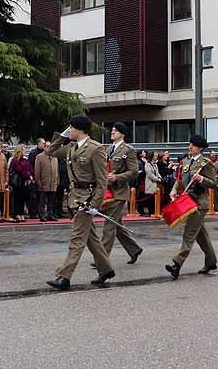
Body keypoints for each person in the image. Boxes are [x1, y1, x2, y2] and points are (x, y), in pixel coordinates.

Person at [46, 115, 115, 290]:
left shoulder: (95, 149)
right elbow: (51, 151)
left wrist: (95, 204)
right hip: (75, 197)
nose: (70, 131)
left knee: (77, 238)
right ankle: (106, 269)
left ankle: (64, 276)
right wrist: (62, 135)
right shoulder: (71, 147)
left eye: (71, 128)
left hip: (87, 200)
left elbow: (102, 180)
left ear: (79, 129)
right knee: (91, 238)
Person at [165, 134, 218, 280]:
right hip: (188, 201)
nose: (190, 147)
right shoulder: (187, 161)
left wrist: (201, 179)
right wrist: (174, 189)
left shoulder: (205, 163)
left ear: (200, 148)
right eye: (189, 144)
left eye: (193, 145)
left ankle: (177, 263)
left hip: (199, 204)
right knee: (201, 236)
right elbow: (181, 179)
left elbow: (214, 183)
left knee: (189, 233)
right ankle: (211, 262)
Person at [99, 123, 142, 262]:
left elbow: (134, 172)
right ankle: (134, 249)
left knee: (109, 224)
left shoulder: (128, 150)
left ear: (122, 134)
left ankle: (102, 257)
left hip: (119, 191)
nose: (112, 132)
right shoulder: (109, 149)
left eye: (115, 130)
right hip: (108, 191)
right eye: (112, 130)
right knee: (116, 225)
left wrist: (117, 177)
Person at [34, 142, 59, 222]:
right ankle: (42, 215)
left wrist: (57, 180)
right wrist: (38, 182)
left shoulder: (55, 157)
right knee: (42, 201)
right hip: (44, 182)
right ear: (44, 147)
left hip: (53, 183)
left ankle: (50, 214)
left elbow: (57, 170)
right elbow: (37, 171)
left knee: (51, 201)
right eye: (48, 146)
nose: (49, 148)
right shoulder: (39, 157)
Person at [9, 146, 34, 222]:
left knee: (23, 199)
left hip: (25, 183)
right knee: (17, 199)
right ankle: (17, 214)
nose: (25, 151)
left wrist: (30, 175)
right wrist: (28, 176)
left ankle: (21, 213)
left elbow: (30, 168)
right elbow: (19, 170)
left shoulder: (25, 160)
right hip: (17, 183)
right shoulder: (14, 160)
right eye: (23, 150)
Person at [140, 150, 160, 217]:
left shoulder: (155, 164)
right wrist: (157, 179)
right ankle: (151, 212)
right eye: (154, 155)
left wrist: (160, 177)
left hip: (155, 183)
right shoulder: (147, 164)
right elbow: (150, 174)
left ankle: (155, 211)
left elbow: (157, 172)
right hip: (150, 183)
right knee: (150, 199)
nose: (156, 157)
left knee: (155, 199)